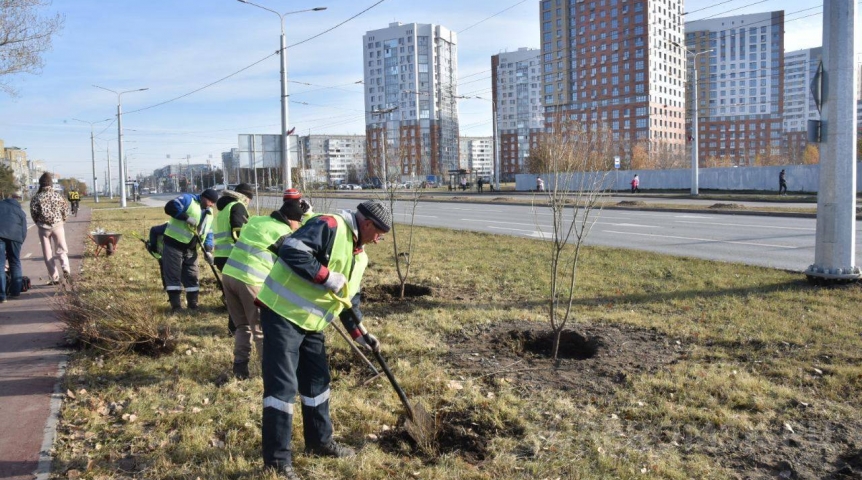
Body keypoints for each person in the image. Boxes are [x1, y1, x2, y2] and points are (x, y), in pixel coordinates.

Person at [256, 200, 392, 479]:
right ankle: (277, 462)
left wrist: (361, 334)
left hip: (312, 323)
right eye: (378, 234)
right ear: (367, 224)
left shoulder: (360, 256)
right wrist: (325, 276)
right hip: (282, 314)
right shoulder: (330, 225)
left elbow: (348, 299)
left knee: (317, 381)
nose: (378, 240)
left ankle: (319, 442)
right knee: (283, 388)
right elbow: (291, 250)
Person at [221, 192, 309, 380]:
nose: (299, 226)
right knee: (261, 330)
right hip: (250, 281)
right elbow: (295, 259)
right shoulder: (284, 234)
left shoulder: (258, 220)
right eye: (298, 222)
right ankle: (271, 375)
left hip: (229, 276)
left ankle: (240, 369)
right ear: (290, 220)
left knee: (242, 326)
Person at [162, 188, 218, 313]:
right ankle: (176, 307)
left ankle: (193, 305)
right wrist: (186, 217)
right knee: (173, 276)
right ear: (204, 197)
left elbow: (208, 232)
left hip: (191, 249)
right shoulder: (188, 200)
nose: (212, 205)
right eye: (211, 202)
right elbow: (170, 207)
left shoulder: (209, 212)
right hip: (174, 244)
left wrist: (208, 250)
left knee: (192, 276)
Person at [30, 173, 70, 285]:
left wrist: (38, 223)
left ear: (40, 184)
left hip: (43, 228)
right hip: (58, 226)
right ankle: (66, 269)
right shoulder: (58, 196)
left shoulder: (36, 197)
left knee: (48, 253)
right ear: (51, 183)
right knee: (62, 250)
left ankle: (55, 277)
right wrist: (62, 221)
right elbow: (65, 210)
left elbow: (34, 213)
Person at [0, 192, 27, 302]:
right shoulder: (20, 212)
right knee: (15, 261)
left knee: (0, 265)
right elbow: (24, 231)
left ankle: (2, 296)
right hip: (15, 237)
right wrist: (20, 242)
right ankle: (15, 292)